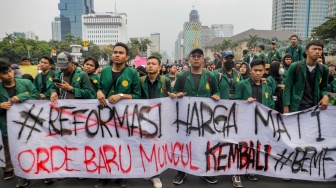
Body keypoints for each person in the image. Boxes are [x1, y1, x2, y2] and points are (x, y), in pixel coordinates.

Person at [168, 48, 220, 185]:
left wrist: (216, 96)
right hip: (185, 118)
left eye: (199, 56)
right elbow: (174, 92)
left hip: (205, 119)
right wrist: (175, 95)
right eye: (193, 56)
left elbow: (217, 92)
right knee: (184, 144)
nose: (196, 58)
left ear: (203, 59)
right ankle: (181, 172)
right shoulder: (182, 76)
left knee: (204, 145)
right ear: (189, 59)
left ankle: (205, 172)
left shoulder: (210, 76)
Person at [96, 42, 141, 188]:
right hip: (105, 116)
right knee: (104, 145)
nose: (117, 55)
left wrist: (121, 95)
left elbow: (137, 95)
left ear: (127, 57)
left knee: (122, 145)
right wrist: (99, 91)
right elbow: (99, 87)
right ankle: (104, 175)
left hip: (123, 118)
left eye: (121, 53)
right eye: (115, 52)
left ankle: (122, 175)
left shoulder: (132, 73)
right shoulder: (105, 71)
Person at [0, 59, 40, 188]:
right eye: (5, 73)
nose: (10, 75)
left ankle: (33, 171)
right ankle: (11, 169)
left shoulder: (26, 83)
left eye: (10, 71)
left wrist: (21, 97)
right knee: (10, 149)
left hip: (29, 123)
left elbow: (36, 96)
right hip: (7, 125)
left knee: (30, 148)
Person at [139, 56, 171, 188]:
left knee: (157, 146)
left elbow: (169, 97)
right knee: (146, 145)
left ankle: (156, 175)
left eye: (154, 64)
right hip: (144, 117)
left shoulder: (165, 80)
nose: (150, 66)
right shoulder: (140, 81)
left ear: (159, 67)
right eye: (149, 63)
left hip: (159, 118)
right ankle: (149, 170)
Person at [283, 40, 329, 113]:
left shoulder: (324, 69)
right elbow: (287, 88)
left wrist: (325, 96)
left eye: (319, 49)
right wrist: (286, 107)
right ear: (306, 51)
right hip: (297, 106)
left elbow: (323, 88)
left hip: (314, 107)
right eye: (314, 49)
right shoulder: (295, 66)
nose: (317, 51)